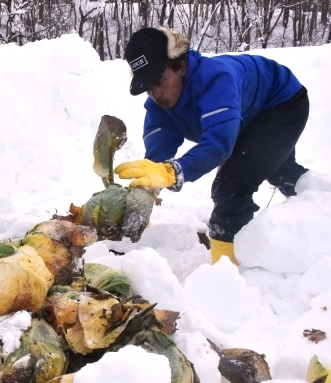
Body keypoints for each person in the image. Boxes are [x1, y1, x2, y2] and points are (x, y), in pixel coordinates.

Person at [114, 27, 309, 264]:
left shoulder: (217, 79)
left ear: (182, 67)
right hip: (243, 114)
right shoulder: (160, 104)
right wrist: (144, 193)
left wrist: (172, 171)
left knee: (231, 184)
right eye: (148, 87)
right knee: (278, 170)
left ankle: (230, 269)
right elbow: (155, 161)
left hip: (281, 104)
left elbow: (219, 144)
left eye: (160, 81)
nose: (155, 94)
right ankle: (316, 202)